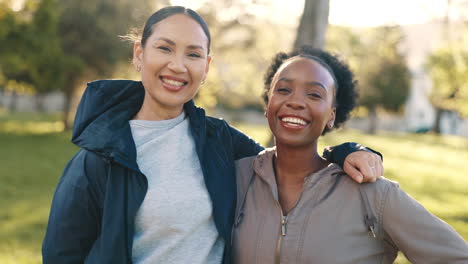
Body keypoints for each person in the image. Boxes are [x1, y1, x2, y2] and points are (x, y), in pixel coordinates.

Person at [42, 6, 383, 264]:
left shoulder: (219, 140)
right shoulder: (100, 154)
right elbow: (62, 254)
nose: (178, 66)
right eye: (165, 48)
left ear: (206, 68)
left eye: (193, 54)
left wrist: (350, 150)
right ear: (139, 54)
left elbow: (289, 164)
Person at [232, 46, 468, 263]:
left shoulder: (372, 193)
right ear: (268, 103)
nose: (295, 101)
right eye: (283, 90)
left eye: (314, 94)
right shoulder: (235, 178)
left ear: (332, 115)